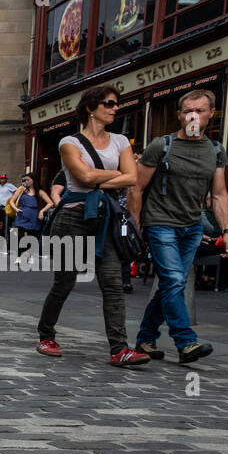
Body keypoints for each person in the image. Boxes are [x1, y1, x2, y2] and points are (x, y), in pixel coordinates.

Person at [35, 84, 148, 367]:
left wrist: (98, 177)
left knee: (112, 283)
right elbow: (83, 177)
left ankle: (119, 349)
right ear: (90, 108)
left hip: (104, 219)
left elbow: (132, 178)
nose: (115, 108)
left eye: (116, 104)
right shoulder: (68, 143)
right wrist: (114, 174)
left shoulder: (121, 141)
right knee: (65, 281)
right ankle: (46, 335)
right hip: (72, 219)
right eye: (109, 104)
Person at [128, 88, 228, 364]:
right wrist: (137, 227)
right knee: (175, 280)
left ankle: (145, 338)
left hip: (192, 226)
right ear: (179, 115)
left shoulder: (215, 150)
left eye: (199, 110)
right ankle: (185, 342)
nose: (193, 115)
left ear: (211, 114)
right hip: (160, 222)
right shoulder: (161, 145)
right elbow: (137, 187)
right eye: (188, 110)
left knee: (169, 284)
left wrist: (227, 230)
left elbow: (220, 194)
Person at [8, 172, 53, 267]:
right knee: (19, 237)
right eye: (25, 180)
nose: (26, 181)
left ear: (33, 181)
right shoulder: (21, 189)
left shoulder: (39, 192)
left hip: (34, 216)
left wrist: (42, 211)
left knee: (32, 237)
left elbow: (50, 203)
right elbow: (11, 201)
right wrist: (16, 209)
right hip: (21, 215)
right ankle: (19, 257)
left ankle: (30, 255)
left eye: (28, 180)